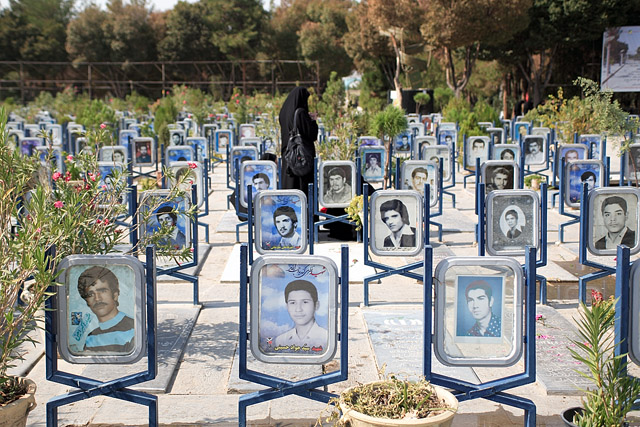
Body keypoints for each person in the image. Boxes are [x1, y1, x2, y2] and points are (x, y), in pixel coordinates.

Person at [77, 266, 135, 353]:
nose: (97, 299)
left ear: (115, 295)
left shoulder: (133, 329)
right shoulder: (91, 338)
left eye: (102, 291)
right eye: (90, 294)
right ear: (87, 302)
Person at [279, 87, 318, 199]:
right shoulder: (300, 113)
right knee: (302, 187)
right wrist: (313, 121)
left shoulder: (284, 112)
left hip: (288, 154)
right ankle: (306, 214)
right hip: (300, 157)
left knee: (290, 185)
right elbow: (312, 135)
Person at [274, 280, 328, 349]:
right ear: (287, 307)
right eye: (293, 303)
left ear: (316, 305)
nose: (298, 309)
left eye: (305, 302)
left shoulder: (326, 338)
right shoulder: (281, 340)